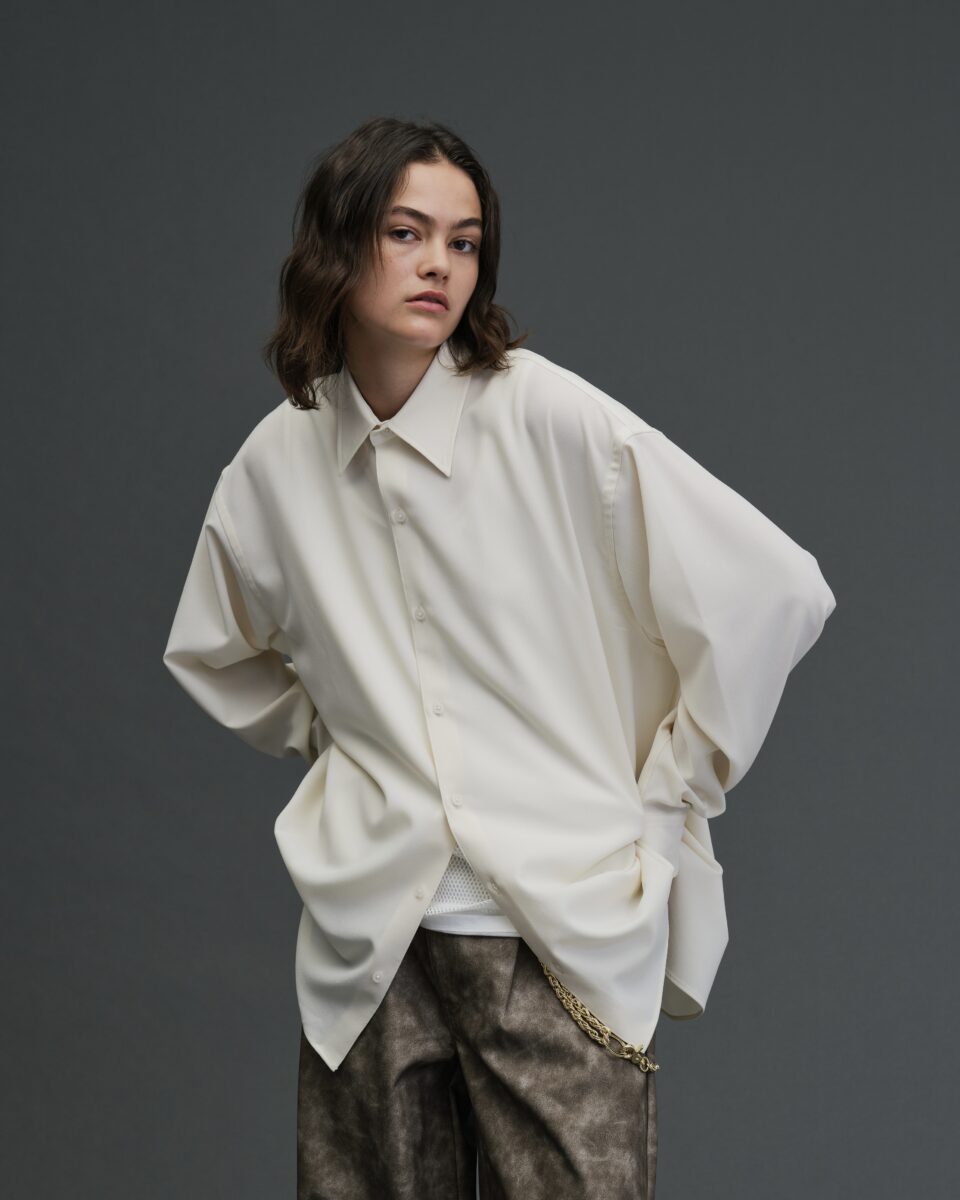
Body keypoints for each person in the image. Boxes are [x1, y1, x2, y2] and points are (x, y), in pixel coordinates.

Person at [162, 116, 837, 1200]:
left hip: (552, 932)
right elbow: (213, 649)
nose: (439, 263)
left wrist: (668, 794)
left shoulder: (546, 416)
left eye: (465, 241)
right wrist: (345, 740)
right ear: (337, 245)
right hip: (374, 944)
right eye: (406, 233)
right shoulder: (277, 461)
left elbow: (776, 589)